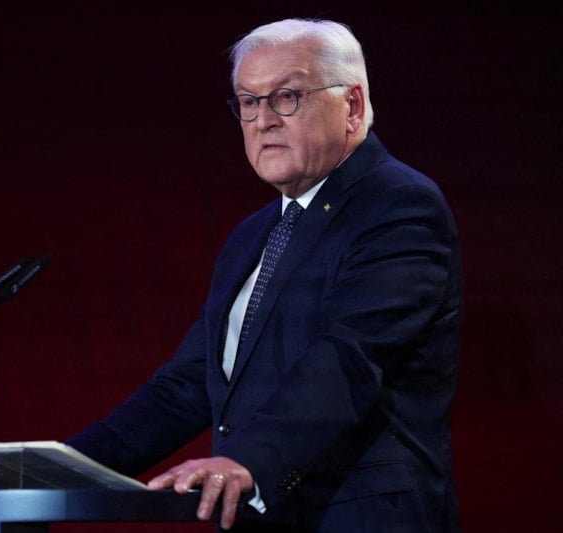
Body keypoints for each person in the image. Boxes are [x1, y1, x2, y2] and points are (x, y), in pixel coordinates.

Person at [72, 17, 460, 532]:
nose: (262, 121)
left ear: (352, 105)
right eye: (248, 102)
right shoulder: (252, 235)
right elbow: (190, 385)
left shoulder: (398, 206)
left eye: (286, 97)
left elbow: (346, 358)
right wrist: (56, 467)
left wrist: (247, 462)